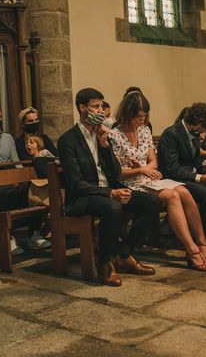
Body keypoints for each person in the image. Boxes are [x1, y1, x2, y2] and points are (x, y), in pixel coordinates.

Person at [58, 88, 161, 286]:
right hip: (81, 197)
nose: (100, 111)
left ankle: (125, 255)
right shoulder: (68, 140)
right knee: (112, 207)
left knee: (152, 202)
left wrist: (105, 145)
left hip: (107, 190)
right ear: (82, 108)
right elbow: (77, 183)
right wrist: (110, 193)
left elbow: (114, 171)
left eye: (101, 107)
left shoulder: (102, 135)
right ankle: (105, 264)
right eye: (95, 106)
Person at [109, 91, 206, 271]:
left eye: (144, 116)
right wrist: (140, 169)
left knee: (184, 192)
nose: (141, 121)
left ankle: (202, 244)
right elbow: (117, 172)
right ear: (127, 114)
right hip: (128, 182)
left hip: (145, 178)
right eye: (137, 117)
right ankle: (192, 250)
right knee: (173, 196)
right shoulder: (115, 135)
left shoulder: (143, 131)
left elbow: (154, 162)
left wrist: (144, 169)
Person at [0, 102, 50, 254]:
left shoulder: (8, 138)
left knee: (32, 189)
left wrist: (22, 179)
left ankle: (33, 234)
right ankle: (8, 238)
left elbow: (16, 162)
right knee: (9, 194)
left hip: (9, 178)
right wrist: (4, 177)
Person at [158, 103, 206, 243]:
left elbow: (197, 163)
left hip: (187, 177)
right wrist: (200, 178)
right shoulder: (172, 134)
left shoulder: (194, 133)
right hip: (173, 180)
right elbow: (172, 170)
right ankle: (202, 237)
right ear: (199, 124)